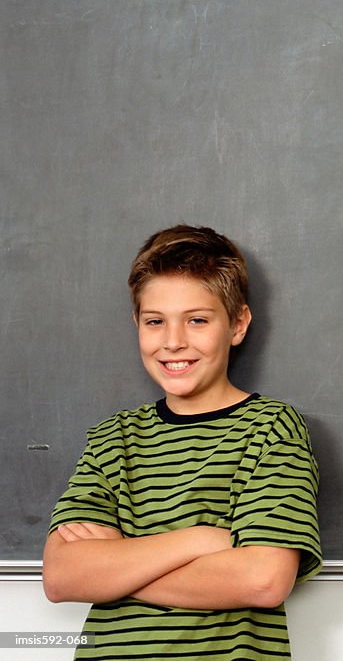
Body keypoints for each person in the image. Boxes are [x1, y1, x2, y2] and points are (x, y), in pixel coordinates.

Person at [42, 225, 322, 660]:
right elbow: (62, 577)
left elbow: (263, 579)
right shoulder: (111, 439)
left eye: (197, 320)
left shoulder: (271, 429)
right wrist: (199, 540)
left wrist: (115, 566)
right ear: (137, 322)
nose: (173, 341)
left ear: (238, 324)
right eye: (156, 321)